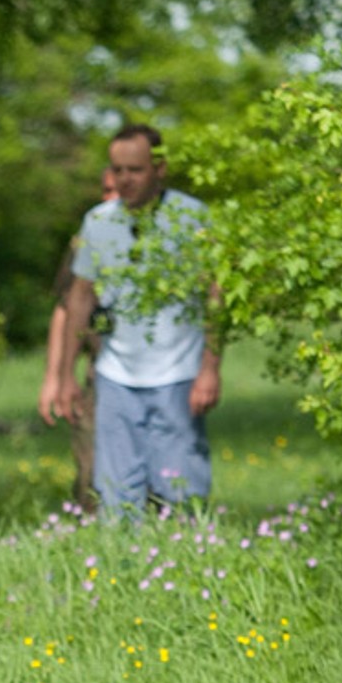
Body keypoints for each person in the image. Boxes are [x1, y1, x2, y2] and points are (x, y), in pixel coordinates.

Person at [43, 125, 220, 514]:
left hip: (178, 373)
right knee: (116, 495)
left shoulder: (192, 217)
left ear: (159, 168)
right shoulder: (98, 221)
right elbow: (80, 297)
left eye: (135, 170)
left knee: (180, 491)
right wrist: (65, 374)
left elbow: (215, 297)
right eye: (118, 170)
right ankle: (123, 569)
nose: (124, 179)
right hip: (116, 375)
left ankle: (186, 563)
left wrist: (210, 367)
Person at [39, 167, 119, 507]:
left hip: (153, 369)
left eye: (116, 190)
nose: (111, 197)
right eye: (106, 190)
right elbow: (65, 307)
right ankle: (92, 530)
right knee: (90, 468)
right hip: (98, 369)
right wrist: (55, 377)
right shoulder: (90, 237)